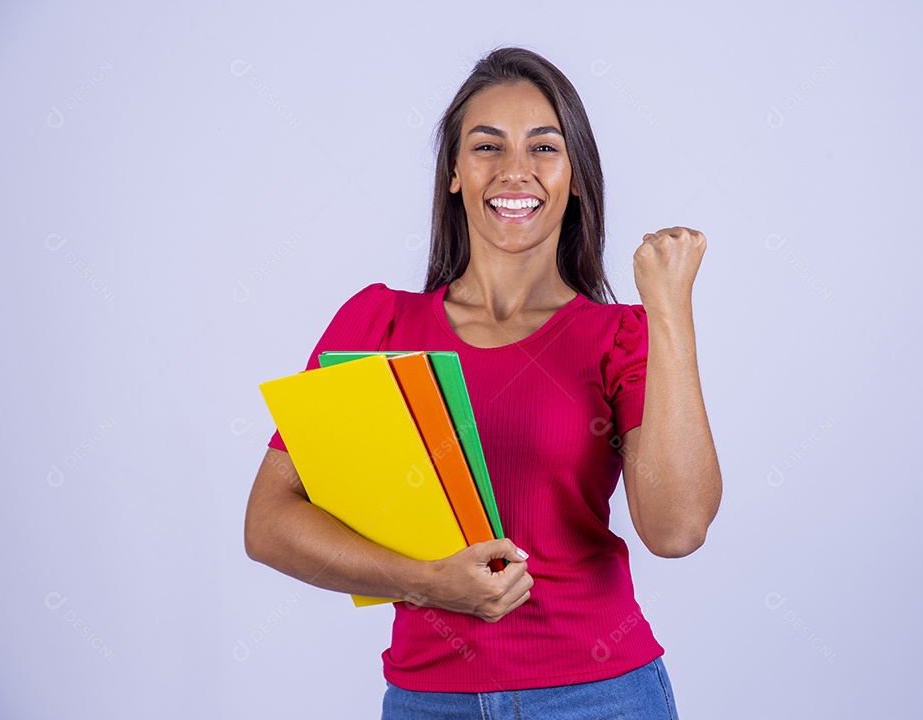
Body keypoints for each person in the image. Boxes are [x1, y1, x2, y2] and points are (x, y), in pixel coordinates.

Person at [243, 45, 722, 719]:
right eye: (487, 146)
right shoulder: (377, 322)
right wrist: (429, 583)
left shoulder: (622, 337)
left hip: (601, 696)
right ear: (454, 173)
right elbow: (268, 523)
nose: (515, 171)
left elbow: (678, 528)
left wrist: (670, 311)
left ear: (578, 176)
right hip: (427, 701)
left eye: (545, 148)